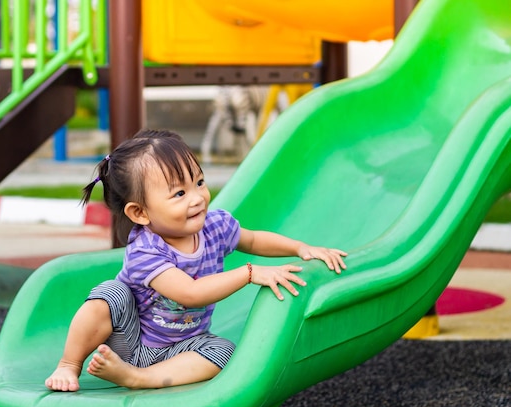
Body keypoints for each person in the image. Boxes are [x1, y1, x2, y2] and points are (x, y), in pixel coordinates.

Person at [45, 129, 347, 392]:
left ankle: (142, 378)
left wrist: (300, 248)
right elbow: (189, 293)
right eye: (179, 193)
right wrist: (250, 273)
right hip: (132, 340)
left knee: (224, 352)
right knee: (111, 293)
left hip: (183, 346)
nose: (197, 197)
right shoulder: (146, 251)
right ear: (140, 213)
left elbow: (253, 239)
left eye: (199, 182)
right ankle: (68, 364)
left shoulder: (214, 226)